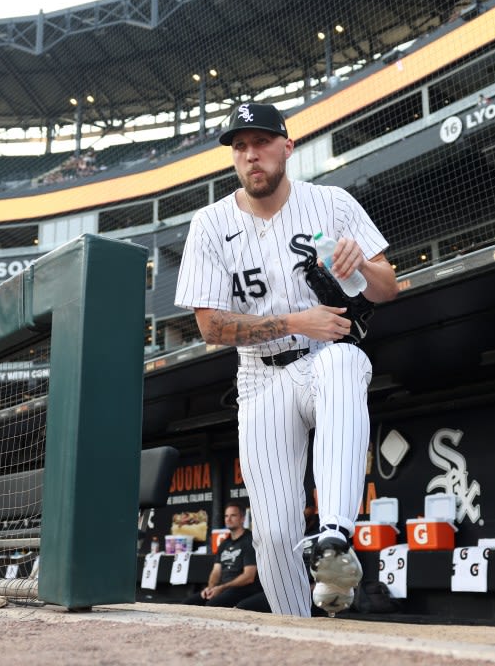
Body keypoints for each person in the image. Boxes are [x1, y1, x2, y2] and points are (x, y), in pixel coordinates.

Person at [174, 103, 399, 617]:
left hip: (324, 357)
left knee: (344, 364)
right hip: (260, 378)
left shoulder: (332, 203)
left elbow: (387, 287)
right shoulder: (209, 224)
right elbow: (210, 328)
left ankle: (335, 539)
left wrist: (360, 262)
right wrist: (298, 321)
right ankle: (300, 633)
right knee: (274, 534)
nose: (251, 155)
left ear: (287, 147)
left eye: (261, 142)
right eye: (240, 147)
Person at [184, 501, 261, 608]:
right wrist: (210, 588)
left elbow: (249, 577)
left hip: (243, 588)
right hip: (223, 588)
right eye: (226, 516)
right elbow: (216, 571)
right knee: (188, 603)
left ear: (242, 519)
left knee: (212, 605)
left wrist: (222, 588)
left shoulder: (249, 541)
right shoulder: (224, 543)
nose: (228, 519)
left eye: (233, 515)